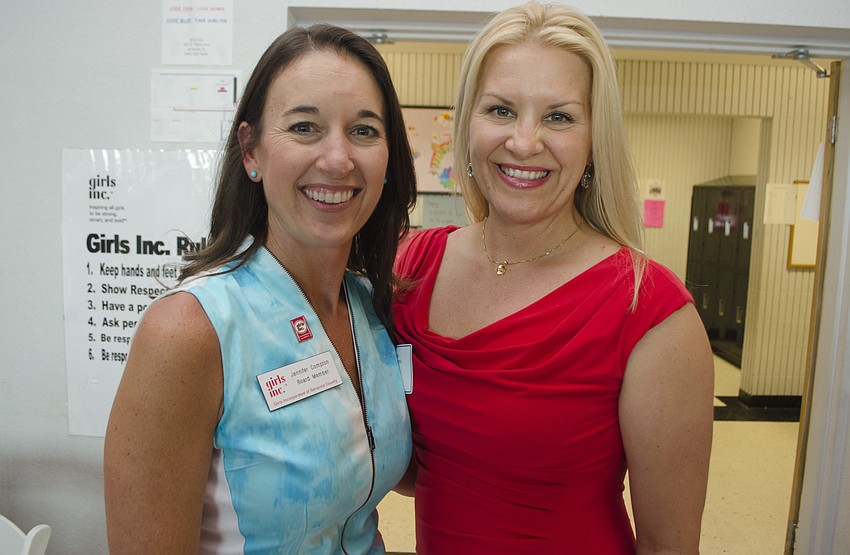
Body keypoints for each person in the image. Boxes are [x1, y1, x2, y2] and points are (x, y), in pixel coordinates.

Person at [393, 2, 714, 553]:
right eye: (500, 110)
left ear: (594, 141)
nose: (523, 141)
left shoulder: (650, 311)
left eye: (559, 116)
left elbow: (670, 543)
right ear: (467, 121)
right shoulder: (409, 269)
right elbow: (407, 465)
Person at [104, 24, 416, 554]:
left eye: (364, 131)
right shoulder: (190, 330)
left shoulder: (372, 306)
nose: (338, 159)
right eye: (304, 127)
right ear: (251, 152)